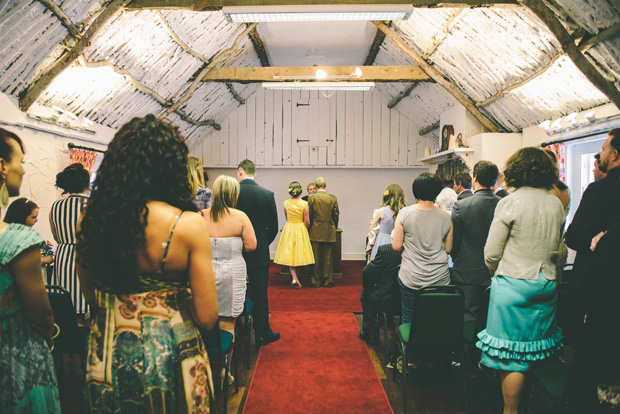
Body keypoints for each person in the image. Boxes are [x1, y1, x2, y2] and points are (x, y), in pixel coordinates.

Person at [76, 115, 219, 412]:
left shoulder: (89, 220)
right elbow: (207, 317)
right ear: (172, 167)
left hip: (108, 354)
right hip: (172, 354)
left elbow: (91, 295)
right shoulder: (187, 224)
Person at [477, 147, 565, 414]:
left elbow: (491, 252)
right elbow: (559, 251)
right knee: (535, 351)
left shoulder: (510, 202)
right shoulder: (555, 203)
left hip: (513, 284)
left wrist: (496, 272)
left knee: (512, 358)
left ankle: (511, 411)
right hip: (546, 284)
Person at [0, 127, 60, 412]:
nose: (23, 170)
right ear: (2, 166)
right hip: (16, 357)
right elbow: (41, 315)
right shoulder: (19, 240)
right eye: (20, 161)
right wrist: (48, 332)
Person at [202, 175, 256, 387]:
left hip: (204, 272)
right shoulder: (240, 217)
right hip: (231, 273)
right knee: (227, 323)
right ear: (234, 194)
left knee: (204, 321)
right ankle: (224, 372)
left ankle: (204, 369)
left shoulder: (201, 215)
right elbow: (251, 246)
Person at [392, 172, 453, 325]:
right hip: (440, 278)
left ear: (415, 191)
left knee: (409, 318)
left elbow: (396, 246)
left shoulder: (404, 213)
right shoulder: (446, 216)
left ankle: (411, 348)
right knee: (436, 319)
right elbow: (448, 248)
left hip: (411, 277)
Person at [565, 128, 620, 293]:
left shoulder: (600, 189)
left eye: (603, 150)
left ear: (614, 155)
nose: (601, 154)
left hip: (601, 279)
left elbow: (576, 237)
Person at [236, 159, 280, 347]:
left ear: (240, 172)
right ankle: (262, 332)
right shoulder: (267, 194)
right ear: (255, 174)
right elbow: (273, 227)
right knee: (260, 293)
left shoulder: (232, 193)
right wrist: (260, 243)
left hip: (235, 248)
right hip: (259, 251)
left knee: (238, 290)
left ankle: (240, 328)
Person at [451, 161, 500, 321]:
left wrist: (457, 259)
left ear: (475, 177)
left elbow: (455, 242)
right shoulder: (502, 204)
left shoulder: (461, 206)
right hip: (497, 271)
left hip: (466, 271)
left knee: (467, 317)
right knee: (491, 317)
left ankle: (466, 347)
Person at [50, 163, 90, 316]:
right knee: (85, 306)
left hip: (63, 255)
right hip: (84, 256)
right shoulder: (92, 205)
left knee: (64, 304)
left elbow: (55, 235)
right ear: (87, 183)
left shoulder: (56, 206)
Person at [358, 243, 402, 345]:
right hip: (409, 300)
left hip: (387, 299)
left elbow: (368, 272)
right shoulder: (416, 250)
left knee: (366, 295)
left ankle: (370, 333)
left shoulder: (386, 250)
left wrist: (369, 285)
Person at [274, 181, 315, 289]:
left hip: (289, 228)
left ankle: (294, 278)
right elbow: (307, 221)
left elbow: (287, 217)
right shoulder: (304, 204)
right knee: (300, 253)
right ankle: (295, 278)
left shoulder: (286, 203)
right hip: (300, 228)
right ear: (300, 191)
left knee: (290, 254)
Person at [307, 176, 339, 288]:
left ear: (315, 186)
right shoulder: (332, 198)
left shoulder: (311, 198)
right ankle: (328, 280)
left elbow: (309, 215)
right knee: (328, 257)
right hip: (328, 229)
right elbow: (336, 215)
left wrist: (310, 227)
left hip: (315, 229)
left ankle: (315, 281)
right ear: (325, 186)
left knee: (315, 257)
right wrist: (334, 226)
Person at [4, 197, 54, 265]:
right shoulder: (10, 237)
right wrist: (42, 260)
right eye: (33, 217)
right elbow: (17, 262)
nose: (36, 220)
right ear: (21, 217)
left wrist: (41, 245)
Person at [368, 183, 405, 262]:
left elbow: (371, 229)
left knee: (380, 263)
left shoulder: (381, 211)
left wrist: (371, 224)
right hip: (398, 239)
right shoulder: (404, 211)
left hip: (382, 240)